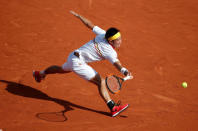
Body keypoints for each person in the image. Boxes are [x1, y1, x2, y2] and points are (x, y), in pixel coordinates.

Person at [33, 10, 133, 117]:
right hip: (78, 63)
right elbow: (116, 63)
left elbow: (90, 25)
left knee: (61, 69)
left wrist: (79, 16)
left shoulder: (103, 34)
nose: (120, 41)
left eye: (120, 38)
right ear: (111, 41)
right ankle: (113, 108)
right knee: (101, 81)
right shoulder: (110, 51)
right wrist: (124, 71)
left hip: (72, 56)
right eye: (117, 40)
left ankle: (41, 73)